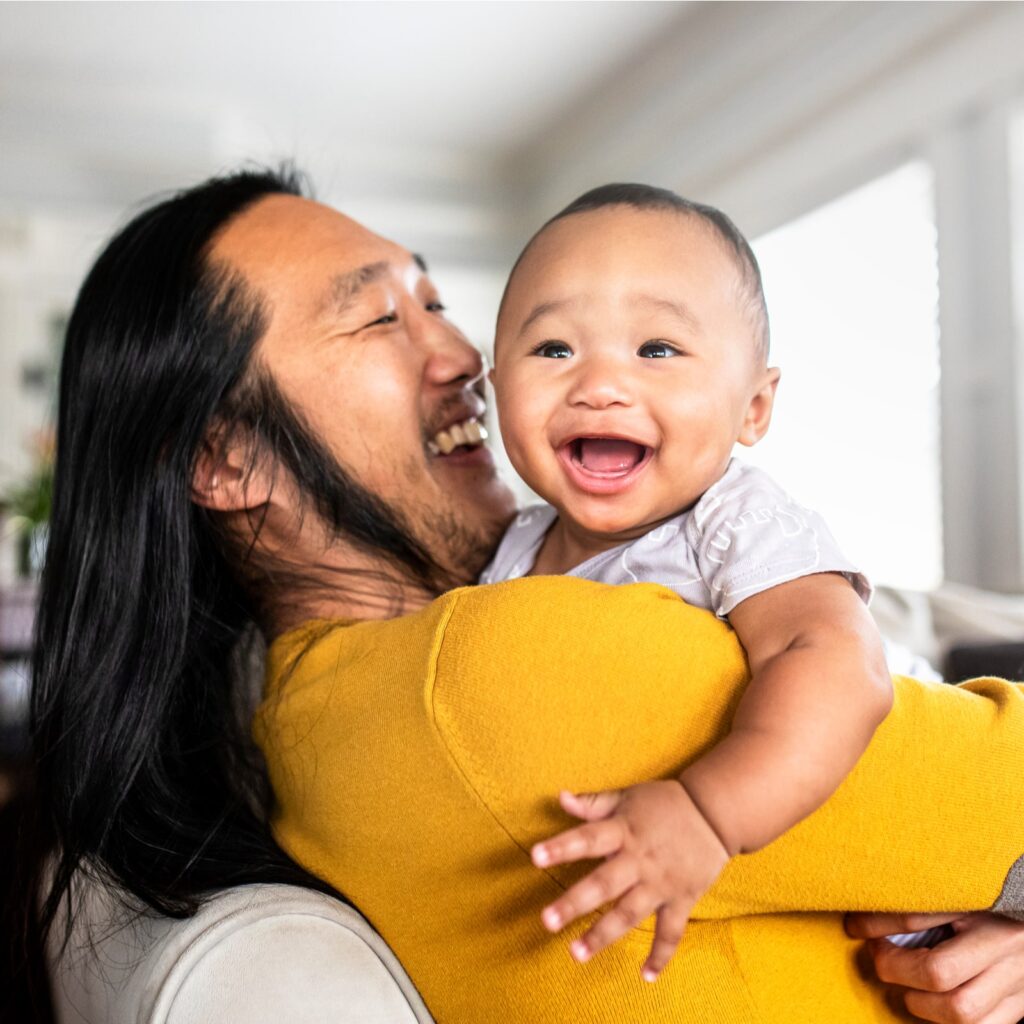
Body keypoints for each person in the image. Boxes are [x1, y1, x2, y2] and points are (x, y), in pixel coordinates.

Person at [10, 166, 1024, 1024]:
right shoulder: (498, 674)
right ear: (225, 459)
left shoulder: (306, 725)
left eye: (436, 304)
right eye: (378, 318)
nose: (464, 361)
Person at [485, 183, 892, 980]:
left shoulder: (733, 519)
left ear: (754, 406)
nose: (598, 384)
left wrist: (709, 812)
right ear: (498, 385)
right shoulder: (510, 552)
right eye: (553, 349)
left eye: (658, 349)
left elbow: (841, 661)